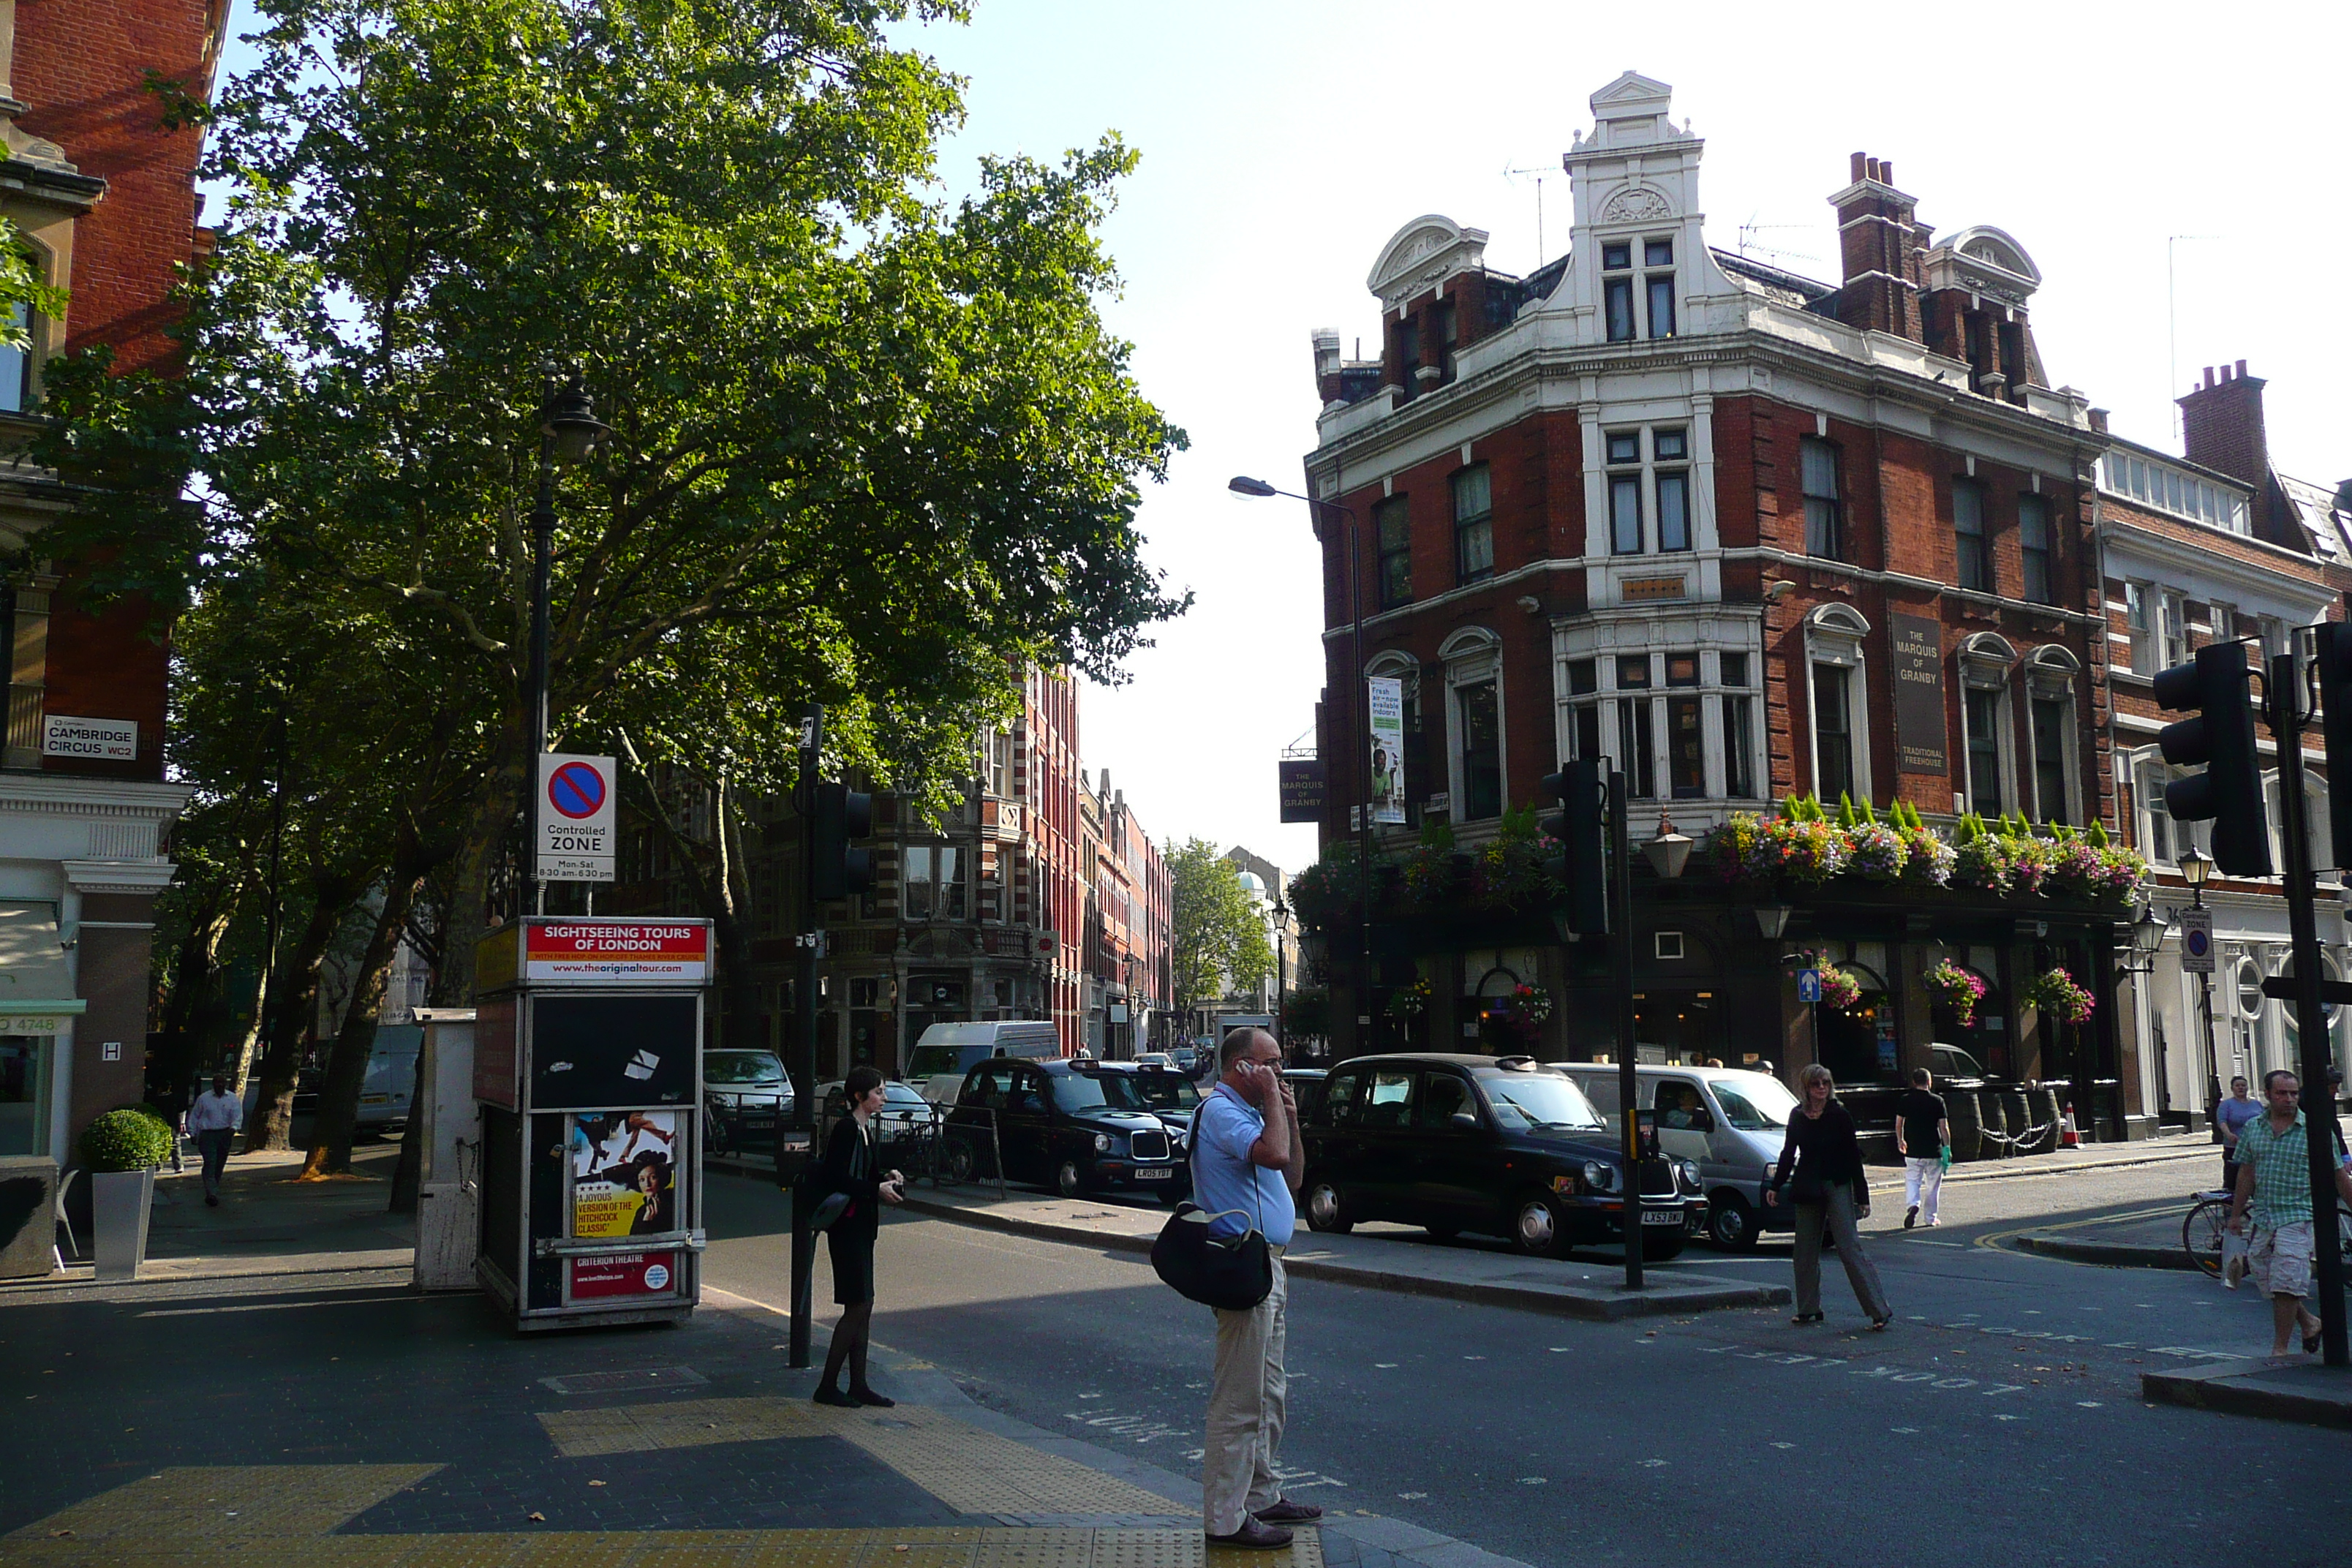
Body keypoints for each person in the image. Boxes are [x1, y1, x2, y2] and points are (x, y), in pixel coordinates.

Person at [1194, 1028, 1316, 1550]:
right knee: (1240, 1398)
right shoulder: (1222, 1113)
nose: (1280, 1074)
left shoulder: (1251, 1116)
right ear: (1243, 1066)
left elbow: (1292, 1178)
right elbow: (1273, 1158)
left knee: (1269, 1391)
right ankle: (1225, 1517)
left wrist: (1287, 1115)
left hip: (1270, 1263)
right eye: (1272, 1065)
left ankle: (1263, 1493)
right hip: (1243, 1263)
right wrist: (1271, 1103)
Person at [2225, 1069, 2352, 1358]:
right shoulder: (2254, 1128)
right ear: (2268, 1095)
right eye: (2282, 1093)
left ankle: (2280, 1349)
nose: (2289, 1099)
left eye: (2294, 1093)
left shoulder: (2315, 1130)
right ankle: (2309, 1322)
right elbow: (2246, 1172)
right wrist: (2235, 1215)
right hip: (2264, 1217)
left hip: (2299, 1216)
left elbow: (2338, 1177)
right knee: (2266, 1276)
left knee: (2285, 1284)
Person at [1765, 1063, 1891, 1330]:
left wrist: (1862, 1194)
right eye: (1816, 1084)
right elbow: (1789, 1152)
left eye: (1825, 1083)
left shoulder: (1840, 1115)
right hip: (1808, 1185)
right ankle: (1808, 1309)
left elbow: (1852, 1155)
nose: (1821, 1088)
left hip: (1837, 1182)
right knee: (1804, 1250)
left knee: (1848, 1247)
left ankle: (1879, 1311)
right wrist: (1776, 1186)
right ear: (1806, 1088)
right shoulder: (1798, 1115)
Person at [813, 1065, 905, 1408]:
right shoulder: (847, 1130)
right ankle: (827, 1386)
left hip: (862, 1228)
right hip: (847, 1228)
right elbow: (835, 1178)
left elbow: (861, 1175)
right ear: (859, 1097)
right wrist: (874, 1189)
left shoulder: (864, 1131)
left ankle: (859, 1385)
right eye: (879, 1092)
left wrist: (884, 1177)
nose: (884, 1097)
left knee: (863, 1306)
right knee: (859, 1305)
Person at [1893, 1068, 1950, 1229]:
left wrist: (1900, 1140)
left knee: (1912, 1180)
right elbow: (1943, 1128)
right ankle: (1930, 1218)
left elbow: (1899, 1123)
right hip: (1933, 1151)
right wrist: (1947, 1149)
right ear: (1929, 1082)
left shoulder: (1905, 1099)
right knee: (1933, 1186)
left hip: (1913, 1150)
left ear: (1914, 1082)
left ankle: (1913, 1205)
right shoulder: (1937, 1101)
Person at [185, 1074, 242, 1207]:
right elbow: (195, 1116)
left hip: (225, 1134)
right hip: (208, 1135)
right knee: (210, 1162)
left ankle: (214, 1186)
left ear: (226, 1084)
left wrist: (233, 1129)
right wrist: (192, 1133)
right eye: (217, 1083)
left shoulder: (232, 1099)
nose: (220, 1086)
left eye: (222, 1083)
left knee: (219, 1163)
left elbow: (237, 1116)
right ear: (213, 1084)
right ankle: (211, 1193)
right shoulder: (204, 1099)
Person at [2215, 1075, 2261, 1194]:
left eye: (2243, 1085)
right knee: (2233, 1180)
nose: (2241, 1088)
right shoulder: (2226, 1105)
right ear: (2232, 1088)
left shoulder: (2256, 1104)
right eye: (2237, 1086)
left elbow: (2265, 1121)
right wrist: (2229, 1134)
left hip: (2254, 1146)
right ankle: (2230, 1208)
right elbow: (2222, 1122)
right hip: (2234, 1147)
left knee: (2256, 1179)